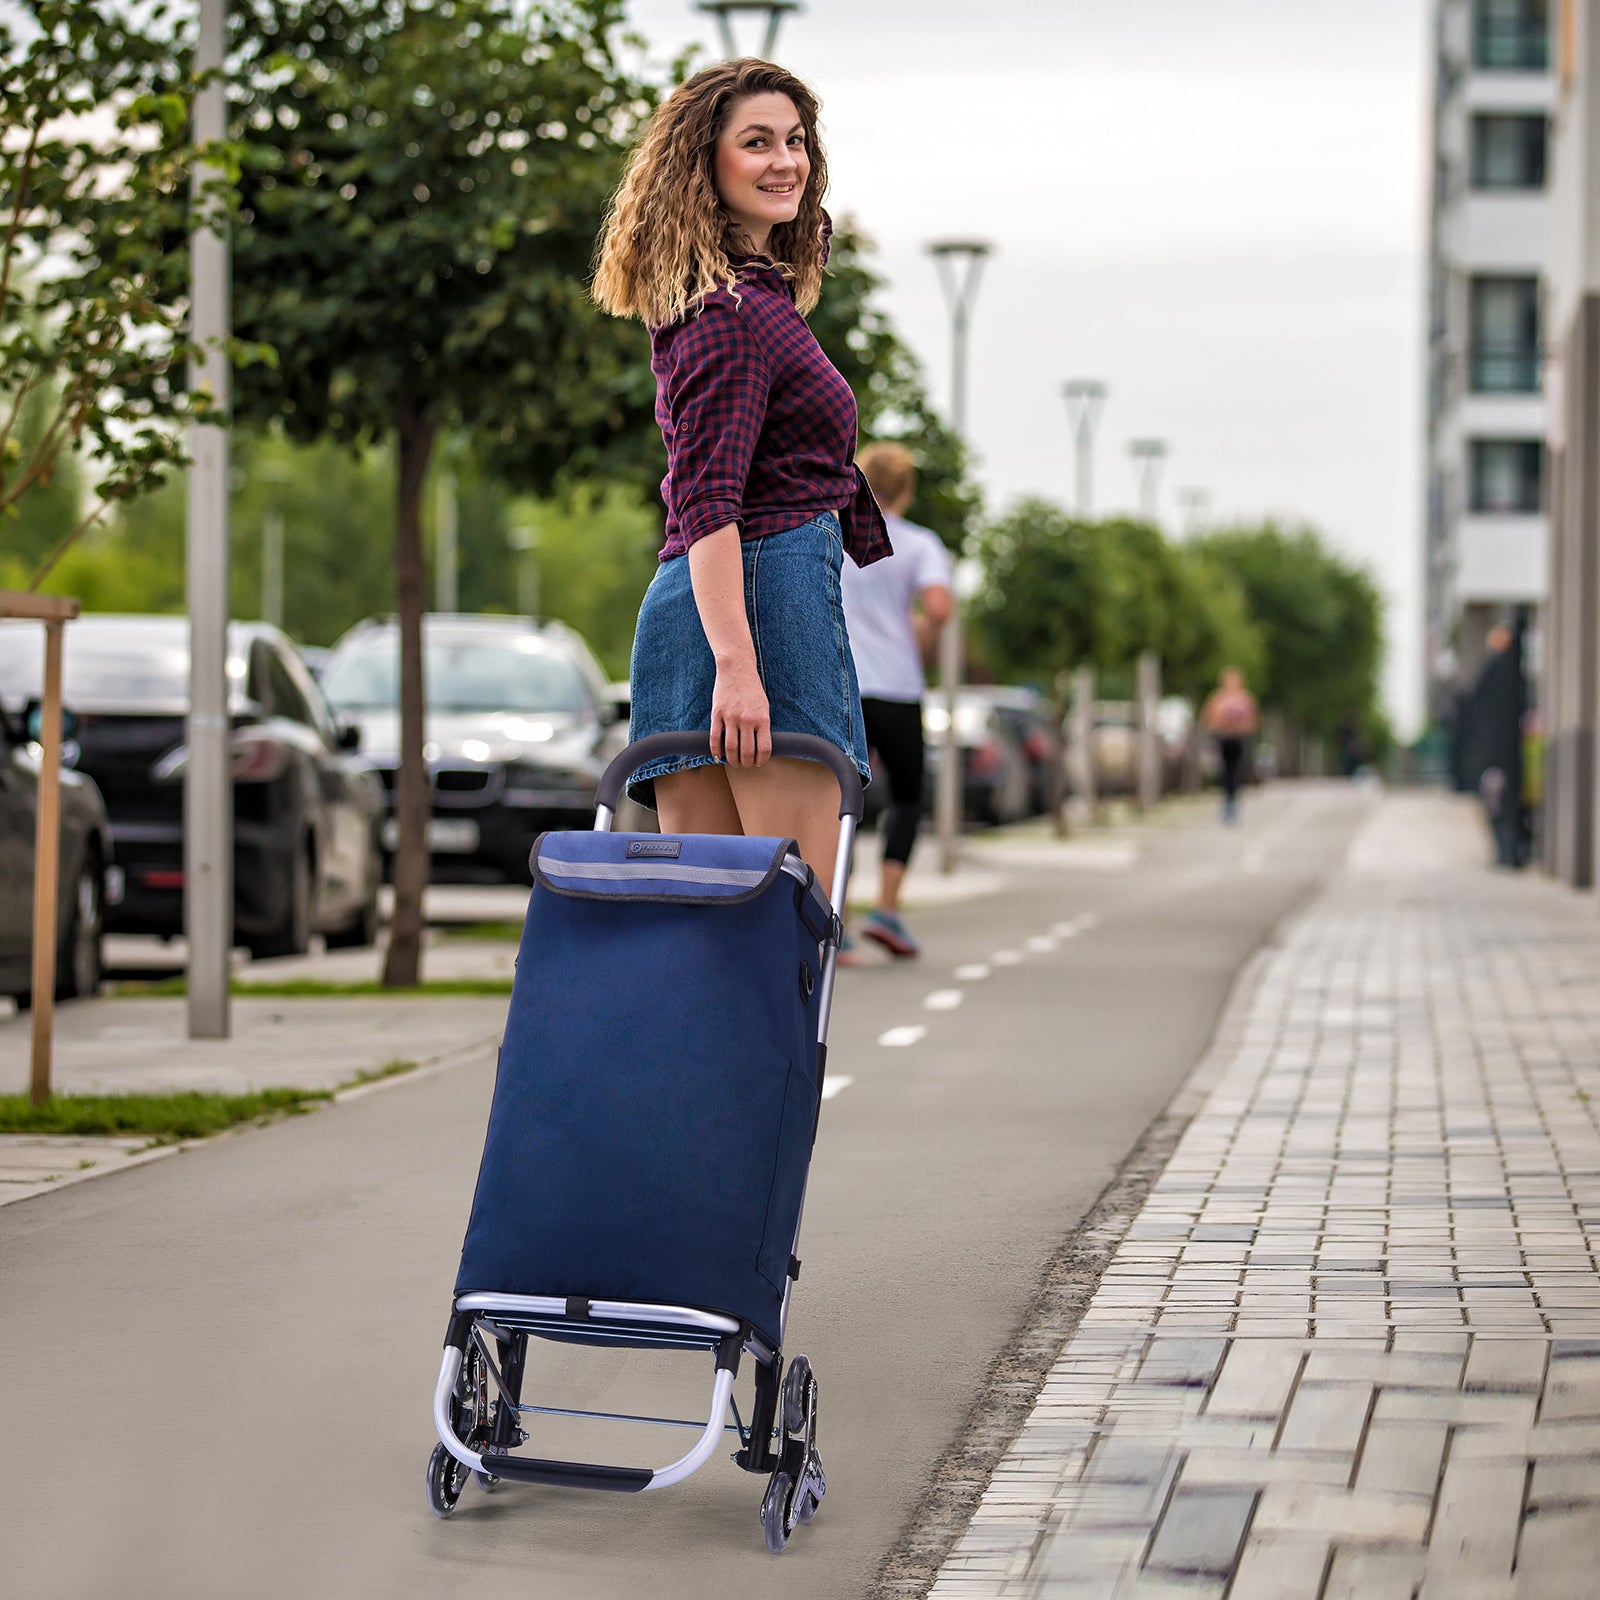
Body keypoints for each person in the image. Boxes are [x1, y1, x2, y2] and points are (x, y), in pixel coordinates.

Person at [591, 58, 891, 893]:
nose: (785, 161)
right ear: (706, 163)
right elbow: (708, 497)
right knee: (789, 926)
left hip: (707, 612)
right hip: (761, 611)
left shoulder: (733, 299)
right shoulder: (732, 312)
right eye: (756, 142)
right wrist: (738, 663)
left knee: (713, 937)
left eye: (795, 141)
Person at [837, 441, 952, 958]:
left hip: (840, 683)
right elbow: (940, 607)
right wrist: (920, 634)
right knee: (907, 796)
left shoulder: (834, 533)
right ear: (906, 489)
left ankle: (831, 922)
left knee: (841, 800)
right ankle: (886, 909)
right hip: (899, 687)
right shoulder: (921, 544)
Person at [1200, 667, 1259, 824]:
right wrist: (1221, 725)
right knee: (1224, 771)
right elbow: (1209, 718)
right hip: (1223, 739)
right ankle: (1226, 802)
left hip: (1239, 740)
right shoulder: (1218, 698)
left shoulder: (1245, 699)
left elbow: (1252, 721)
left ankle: (1233, 802)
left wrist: (1239, 726)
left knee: (1236, 771)